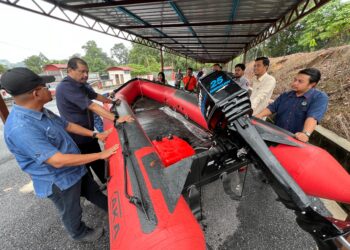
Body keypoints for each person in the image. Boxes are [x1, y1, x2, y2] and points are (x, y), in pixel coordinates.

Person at [0, 67, 119, 242]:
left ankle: (118, 214)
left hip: (75, 169)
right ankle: (79, 233)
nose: (50, 89)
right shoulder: (21, 128)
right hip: (58, 179)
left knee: (93, 192)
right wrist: (100, 155)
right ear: (36, 93)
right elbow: (56, 161)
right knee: (71, 209)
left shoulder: (41, 111)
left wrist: (96, 134)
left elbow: (67, 125)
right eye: (45, 87)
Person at [56, 57, 133, 185]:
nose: (86, 75)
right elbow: (92, 105)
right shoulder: (66, 87)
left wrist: (112, 102)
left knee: (98, 161)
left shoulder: (80, 85)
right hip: (77, 136)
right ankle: (97, 191)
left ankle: (108, 184)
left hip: (88, 133)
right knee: (86, 165)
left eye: (87, 72)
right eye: (82, 71)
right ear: (70, 70)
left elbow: (96, 96)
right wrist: (116, 118)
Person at [255, 68, 328, 143]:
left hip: (295, 140)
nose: (295, 83)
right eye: (295, 80)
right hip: (276, 135)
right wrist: (258, 116)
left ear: (312, 84)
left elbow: (313, 117)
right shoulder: (286, 95)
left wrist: (305, 134)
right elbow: (272, 107)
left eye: (300, 81)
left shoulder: (319, 97)